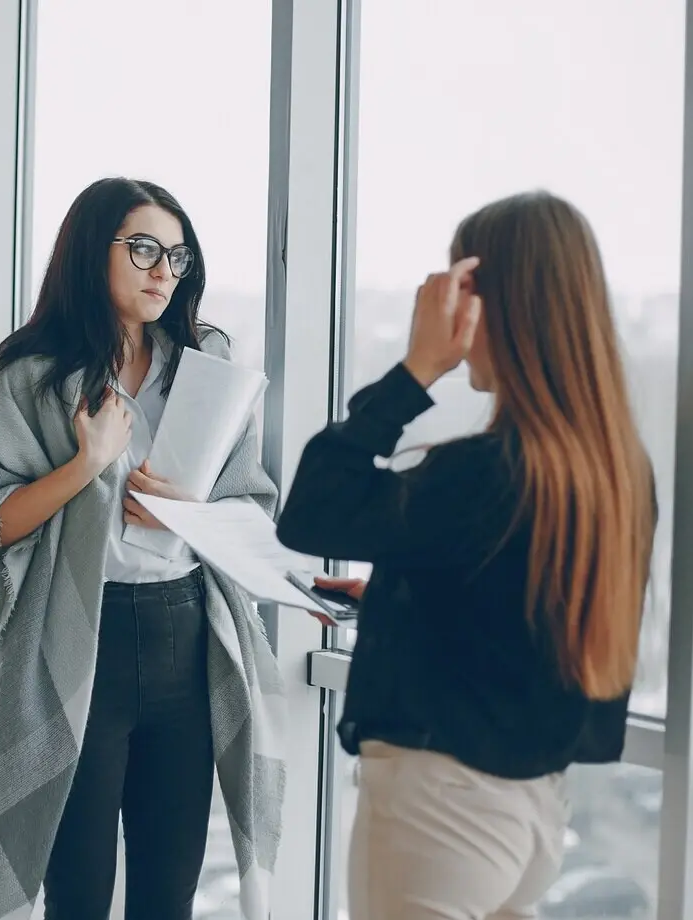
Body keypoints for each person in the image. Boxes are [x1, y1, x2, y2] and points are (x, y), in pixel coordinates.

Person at [276, 191, 658, 920]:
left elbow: (314, 510)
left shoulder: (486, 471)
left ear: (494, 306)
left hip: (441, 815)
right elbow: (527, 615)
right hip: (532, 816)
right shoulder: (615, 471)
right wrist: (394, 601)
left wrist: (417, 367)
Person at [0, 177, 286, 920]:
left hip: (188, 635)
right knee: (78, 889)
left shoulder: (208, 363)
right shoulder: (28, 381)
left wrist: (192, 514)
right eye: (143, 249)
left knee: (169, 894)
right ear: (88, 254)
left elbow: (252, 505)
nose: (164, 270)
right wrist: (84, 467)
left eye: (177, 254)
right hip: (79, 642)